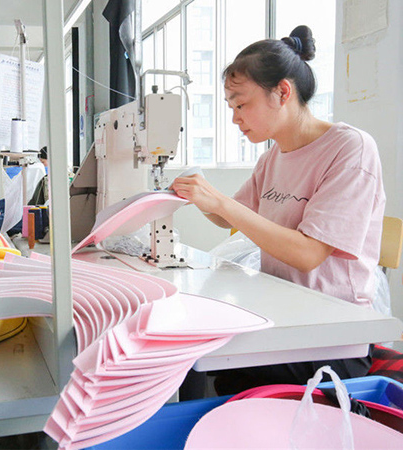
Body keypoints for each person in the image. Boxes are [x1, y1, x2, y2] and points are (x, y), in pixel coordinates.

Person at [172, 25, 385, 396]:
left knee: (209, 362)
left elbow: (307, 254)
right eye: (231, 107)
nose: (236, 118)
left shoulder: (350, 149)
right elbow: (228, 217)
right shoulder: (273, 156)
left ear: (282, 92)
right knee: (195, 350)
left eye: (242, 104)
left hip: (333, 333)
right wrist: (198, 195)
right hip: (285, 311)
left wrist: (220, 202)